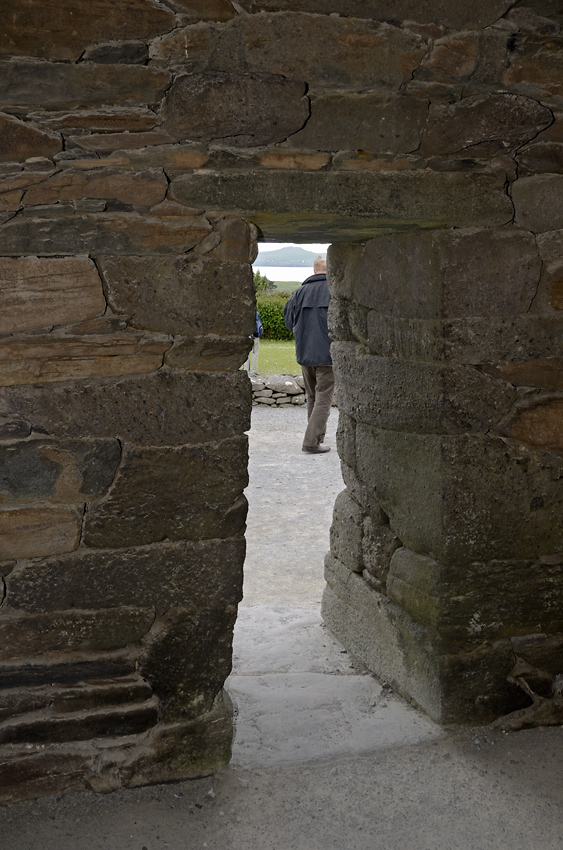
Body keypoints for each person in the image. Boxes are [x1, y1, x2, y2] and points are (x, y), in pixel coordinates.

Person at [284, 256, 334, 454]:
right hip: (328, 355)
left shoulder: (298, 293)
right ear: (329, 271)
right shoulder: (334, 292)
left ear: (314, 271)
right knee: (324, 398)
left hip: (305, 353)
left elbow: (289, 323)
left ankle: (316, 437)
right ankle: (311, 441)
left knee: (313, 396)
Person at [243, 310, 264, 376]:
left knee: (246, 353)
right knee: (255, 353)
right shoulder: (256, 313)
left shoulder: (244, 313)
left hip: (247, 335)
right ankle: (253, 370)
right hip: (256, 335)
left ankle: (246, 369)